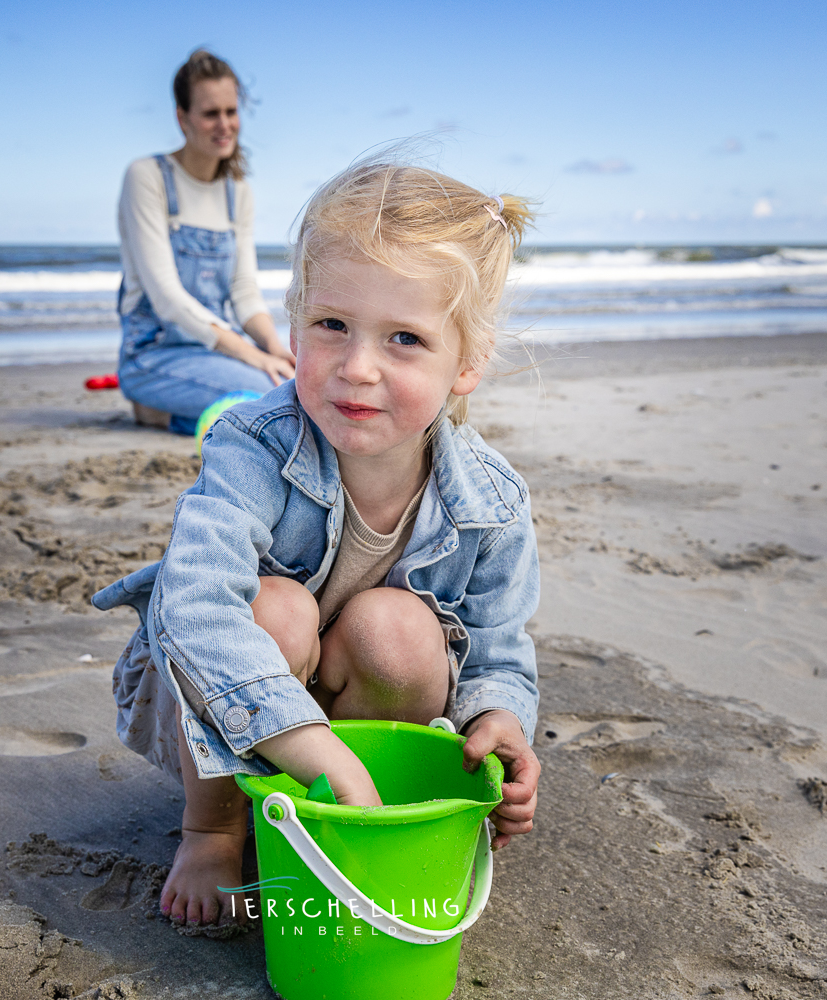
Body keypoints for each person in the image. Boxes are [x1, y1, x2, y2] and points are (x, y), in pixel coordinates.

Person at [92, 156, 541, 930]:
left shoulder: (492, 503)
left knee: (398, 629)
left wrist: (498, 717)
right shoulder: (252, 443)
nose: (356, 368)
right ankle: (218, 828)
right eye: (332, 325)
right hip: (220, 710)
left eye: (404, 338)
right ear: (295, 320)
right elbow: (193, 608)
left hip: (361, 704)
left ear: (466, 362)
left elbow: (499, 649)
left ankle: (343, 819)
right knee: (276, 608)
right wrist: (306, 742)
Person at [115, 49, 294, 435]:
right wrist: (249, 354)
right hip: (154, 357)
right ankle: (152, 402)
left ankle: (164, 415)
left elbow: (244, 291)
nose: (224, 124)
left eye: (231, 111)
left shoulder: (238, 192)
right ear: (182, 118)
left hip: (215, 355)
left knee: (297, 384)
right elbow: (165, 296)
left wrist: (273, 349)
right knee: (272, 396)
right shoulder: (146, 177)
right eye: (211, 113)